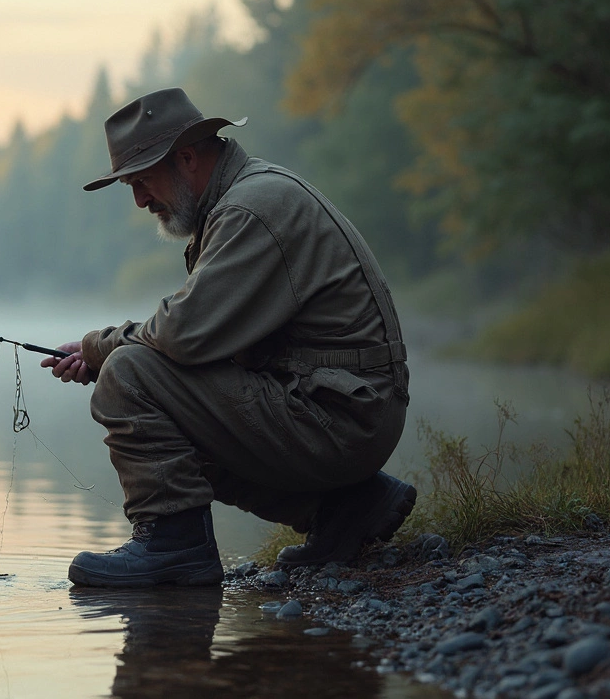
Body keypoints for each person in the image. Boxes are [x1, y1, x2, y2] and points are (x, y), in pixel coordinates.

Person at [43, 88, 415, 588]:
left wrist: (99, 348)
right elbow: (201, 344)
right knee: (153, 386)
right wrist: (111, 351)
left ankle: (173, 548)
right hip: (343, 408)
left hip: (344, 419)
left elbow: (179, 336)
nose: (139, 199)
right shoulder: (240, 200)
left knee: (130, 375)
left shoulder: (249, 209)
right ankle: (346, 510)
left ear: (188, 158)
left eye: (142, 180)